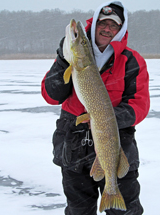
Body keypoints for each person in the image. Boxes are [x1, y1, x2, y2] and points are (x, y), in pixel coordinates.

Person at [41, 1, 150, 214]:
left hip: (115, 143)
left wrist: (107, 117)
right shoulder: (72, 60)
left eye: (114, 26)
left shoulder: (131, 60)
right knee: (78, 210)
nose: (107, 29)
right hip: (73, 145)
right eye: (103, 23)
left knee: (125, 211)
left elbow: (140, 104)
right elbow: (51, 96)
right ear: (95, 23)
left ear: (121, 29)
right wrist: (64, 59)